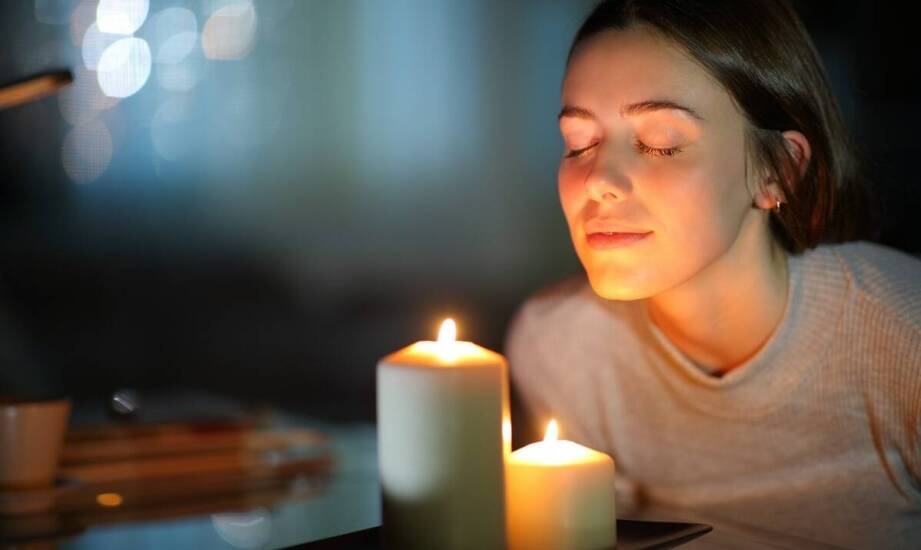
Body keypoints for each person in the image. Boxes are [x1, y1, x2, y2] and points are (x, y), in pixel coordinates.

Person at [504, 1, 921, 547]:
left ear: (778, 170)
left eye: (660, 142)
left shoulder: (901, 337)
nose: (597, 180)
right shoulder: (559, 346)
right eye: (578, 144)